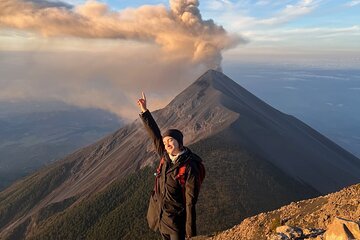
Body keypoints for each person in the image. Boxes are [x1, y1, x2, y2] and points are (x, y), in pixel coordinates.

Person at [137, 92, 203, 240]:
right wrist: (144, 111)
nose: (167, 144)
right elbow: (155, 135)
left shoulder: (190, 166)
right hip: (161, 218)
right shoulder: (165, 157)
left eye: (171, 140)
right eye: (165, 142)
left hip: (177, 224)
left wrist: (190, 233)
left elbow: (190, 202)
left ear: (179, 142)